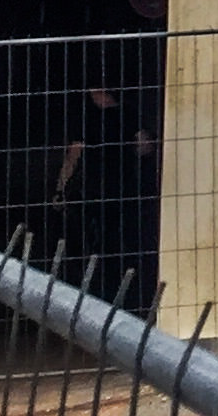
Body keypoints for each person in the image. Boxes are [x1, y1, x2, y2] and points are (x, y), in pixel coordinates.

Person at [55, 69, 156, 296]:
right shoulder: (129, 114)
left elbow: (73, 155)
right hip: (125, 187)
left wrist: (61, 187)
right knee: (123, 240)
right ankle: (124, 286)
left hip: (94, 189)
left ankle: (95, 287)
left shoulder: (88, 117)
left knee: (93, 242)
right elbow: (145, 146)